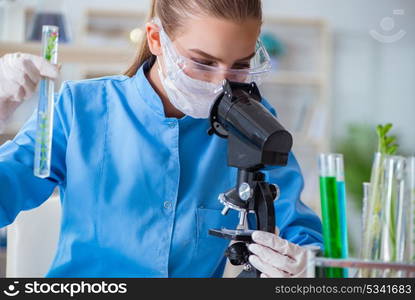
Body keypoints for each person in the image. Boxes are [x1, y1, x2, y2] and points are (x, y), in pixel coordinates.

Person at [0, 0, 323, 278]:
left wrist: (307, 264)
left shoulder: (251, 121)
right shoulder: (80, 108)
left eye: (240, 65)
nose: (219, 84)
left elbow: (300, 229)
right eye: (203, 62)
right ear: (156, 39)